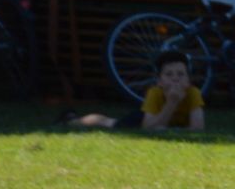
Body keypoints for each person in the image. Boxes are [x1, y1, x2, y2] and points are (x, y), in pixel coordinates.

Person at [63, 48, 205, 131]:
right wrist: (171, 103)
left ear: (188, 80)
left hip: (160, 122)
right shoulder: (154, 93)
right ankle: (71, 120)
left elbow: (198, 128)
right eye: (169, 74)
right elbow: (148, 127)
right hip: (144, 118)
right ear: (159, 81)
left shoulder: (193, 93)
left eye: (181, 74)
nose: (175, 79)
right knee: (109, 123)